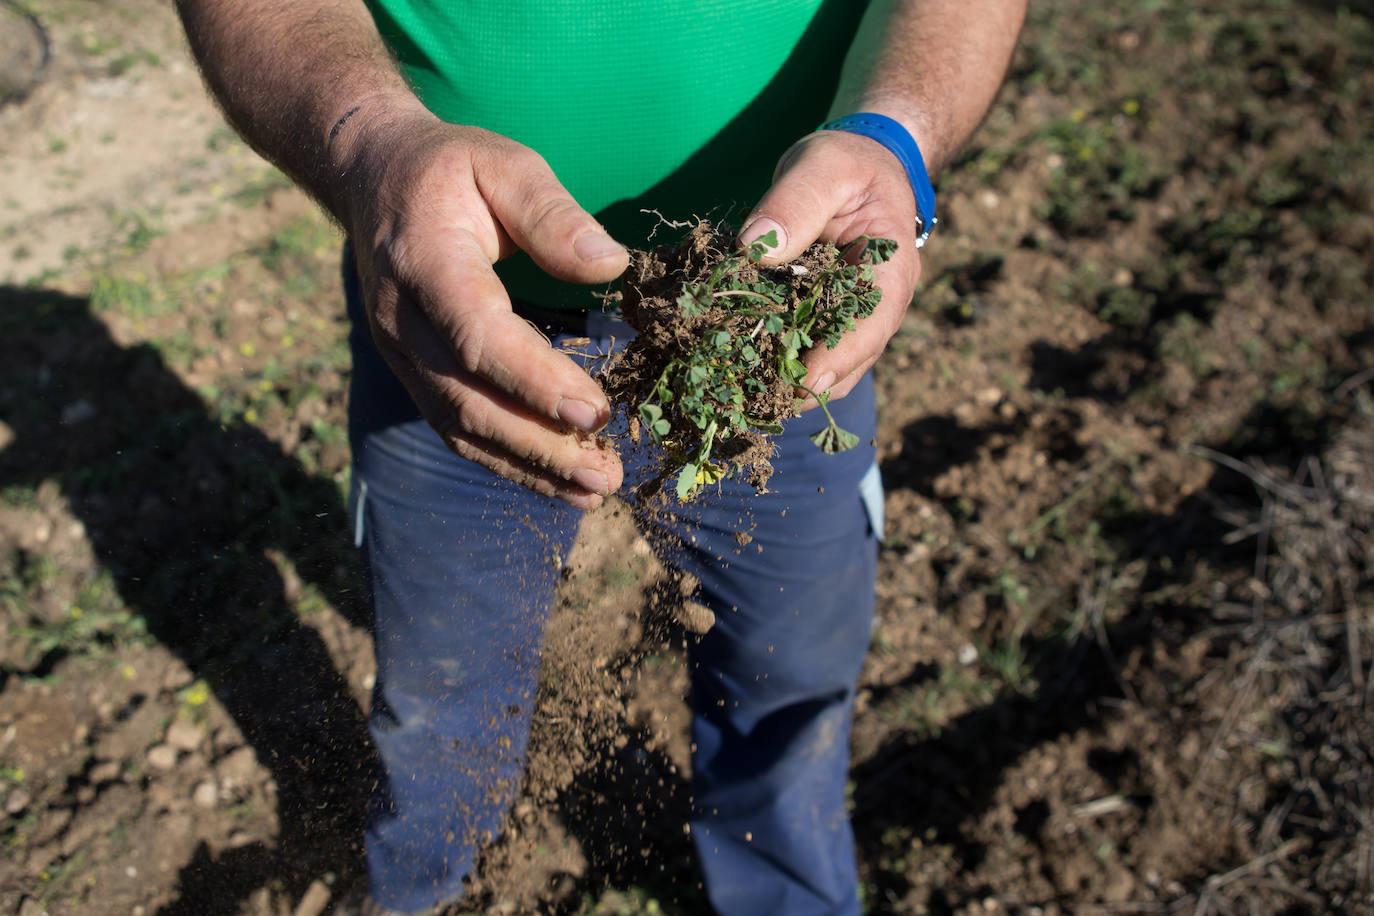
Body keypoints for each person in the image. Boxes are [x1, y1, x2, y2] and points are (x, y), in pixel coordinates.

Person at [175, 1, 1026, 913]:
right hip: (459, 320)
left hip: (772, 330)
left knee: (791, 688)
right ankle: (419, 893)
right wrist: (368, 145)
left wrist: (891, 137)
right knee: (437, 706)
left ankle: (786, 897)